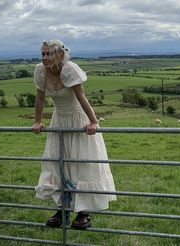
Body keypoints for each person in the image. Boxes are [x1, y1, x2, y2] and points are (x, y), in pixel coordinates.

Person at [32, 39, 116, 229]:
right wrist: (37, 121)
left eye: (49, 54)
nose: (44, 57)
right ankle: (62, 210)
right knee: (58, 162)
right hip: (59, 120)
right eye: (43, 54)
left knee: (81, 163)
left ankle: (83, 213)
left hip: (79, 121)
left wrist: (93, 122)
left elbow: (81, 97)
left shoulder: (69, 69)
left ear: (60, 55)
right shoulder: (40, 71)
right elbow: (40, 98)